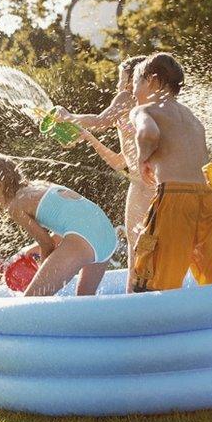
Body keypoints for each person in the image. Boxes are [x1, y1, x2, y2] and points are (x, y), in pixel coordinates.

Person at [130, 52, 212, 292]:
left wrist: (142, 159)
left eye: (136, 82)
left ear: (153, 81)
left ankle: (157, 328)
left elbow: (148, 134)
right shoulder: (192, 117)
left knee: (154, 282)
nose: (132, 91)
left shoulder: (145, 110)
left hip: (176, 198)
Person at [56, 56, 154, 290]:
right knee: (145, 244)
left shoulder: (128, 97)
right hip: (143, 182)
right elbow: (120, 162)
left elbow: (101, 120)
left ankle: (134, 296)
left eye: (121, 79)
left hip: (144, 186)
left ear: (133, 80)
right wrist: (90, 138)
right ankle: (147, 293)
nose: (118, 86)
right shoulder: (143, 107)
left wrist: (68, 116)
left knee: (137, 245)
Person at [0, 154, 117, 297]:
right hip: (107, 233)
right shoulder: (39, 185)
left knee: (32, 302)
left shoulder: (15, 205)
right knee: (85, 299)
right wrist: (28, 251)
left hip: (86, 237)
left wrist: (41, 273)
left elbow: (47, 244)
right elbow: (72, 227)